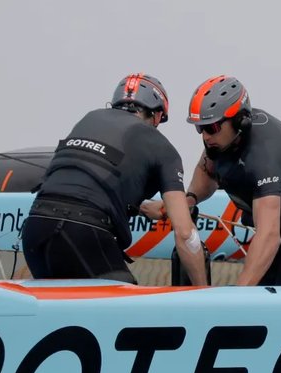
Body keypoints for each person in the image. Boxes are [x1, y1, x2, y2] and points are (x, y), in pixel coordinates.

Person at [20, 73, 208, 286]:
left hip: (35, 227)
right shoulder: (161, 146)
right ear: (156, 115)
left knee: (60, 312)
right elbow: (185, 233)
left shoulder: (89, 119)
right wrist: (203, 294)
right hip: (83, 232)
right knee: (127, 314)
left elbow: (86, 188)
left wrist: (142, 208)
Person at [185, 75, 281, 286]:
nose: (205, 136)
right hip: (275, 226)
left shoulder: (264, 156)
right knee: (260, 288)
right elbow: (208, 171)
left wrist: (240, 299)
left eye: (211, 128)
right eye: (199, 128)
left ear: (240, 120)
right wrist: (191, 199)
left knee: (280, 296)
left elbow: (269, 236)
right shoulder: (221, 140)